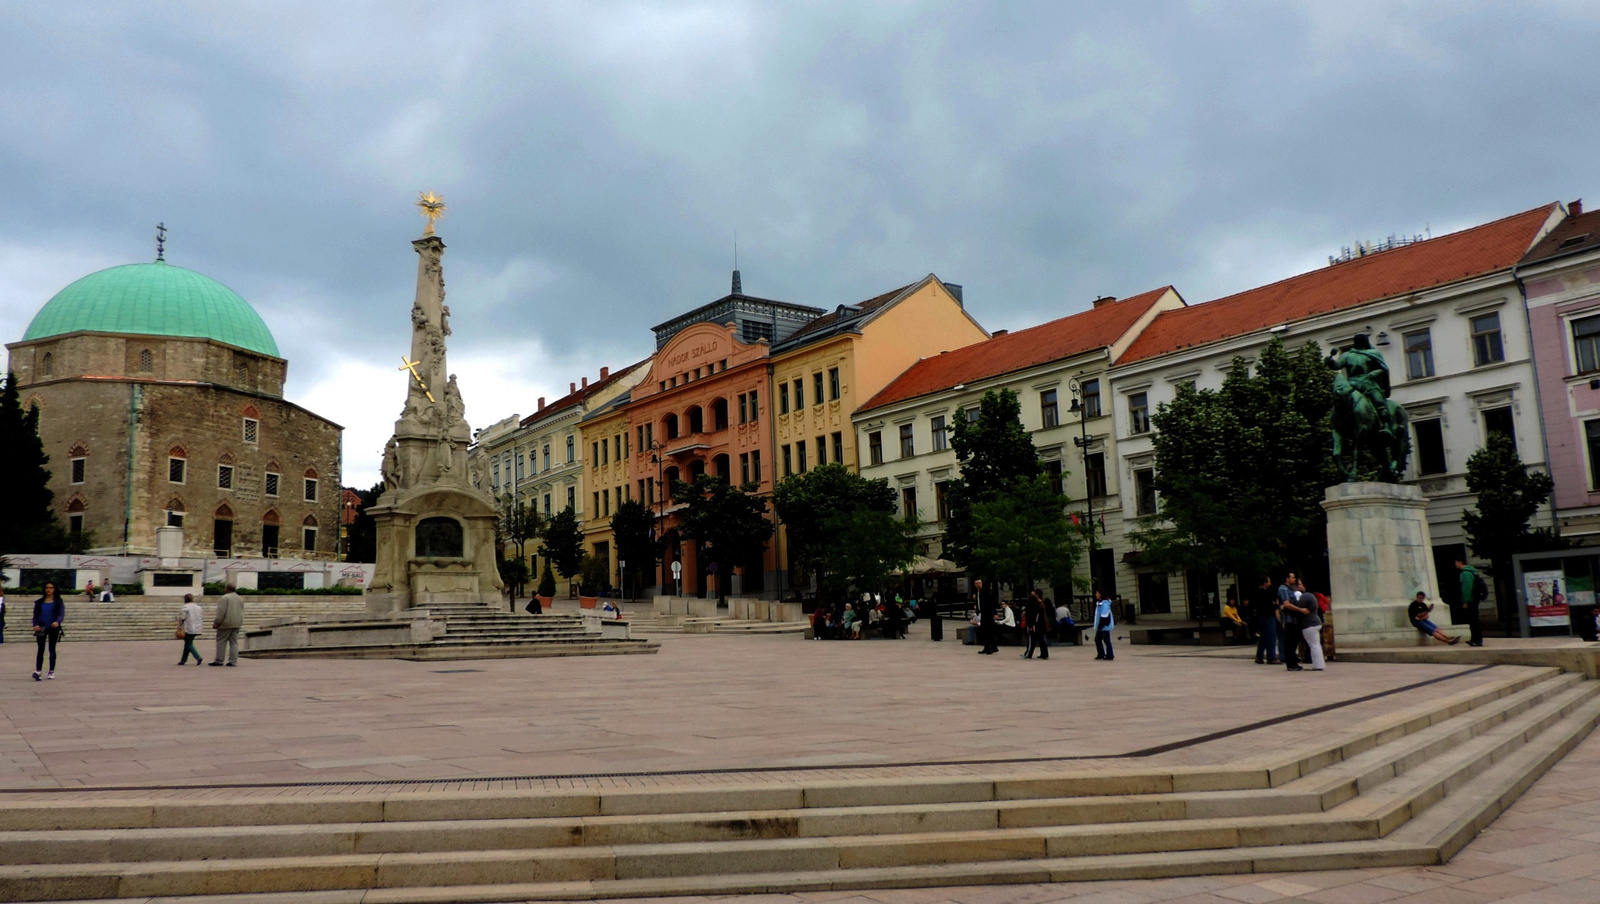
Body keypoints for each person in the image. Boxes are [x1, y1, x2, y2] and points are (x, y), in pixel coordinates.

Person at [32, 581, 65, 680]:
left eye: (51, 587)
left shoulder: (58, 602)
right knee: (40, 649)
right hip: (41, 627)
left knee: (52, 649)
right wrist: (35, 624)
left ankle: (51, 671)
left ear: (54, 589)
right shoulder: (39, 602)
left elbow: (61, 614)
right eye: (47, 587)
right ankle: (38, 670)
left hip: (53, 628)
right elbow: (35, 616)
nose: (48, 589)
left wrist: (57, 622)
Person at [1293, 579, 1325, 671]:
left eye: (1299, 584)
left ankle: (1318, 665)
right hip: (1315, 622)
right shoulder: (1312, 596)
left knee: (1313, 645)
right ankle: (1319, 664)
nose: (1297, 586)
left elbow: (1298, 608)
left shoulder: (1305, 596)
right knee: (1316, 644)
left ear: (1304, 586)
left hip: (1309, 624)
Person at [211, 583, 245, 666]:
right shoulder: (240, 598)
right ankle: (233, 661)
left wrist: (217, 622)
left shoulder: (224, 598)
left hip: (225, 623)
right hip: (237, 623)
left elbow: (221, 611)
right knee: (234, 642)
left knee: (221, 641)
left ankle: (219, 660)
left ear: (227, 589)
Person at [1455, 557, 1485, 647]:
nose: (1455, 564)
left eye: (1456, 562)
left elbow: (1466, 588)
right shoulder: (1472, 571)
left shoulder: (1465, 573)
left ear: (1460, 562)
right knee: (1475, 620)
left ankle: (1476, 640)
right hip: (1475, 599)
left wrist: (1465, 601)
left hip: (1471, 600)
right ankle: (1477, 639)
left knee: (1473, 620)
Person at [1252, 575, 1280, 665]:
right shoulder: (1266, 593)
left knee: (1263, 637)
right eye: (1269, 581)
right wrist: (1276, 605)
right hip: (1268, 616)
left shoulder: (1256, 592)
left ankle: (1259, 656)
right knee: (1271, 637)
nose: (1270, 583)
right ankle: (1271, 657)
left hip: (1260, 617)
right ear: (1265, 583)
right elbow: (1270, 605)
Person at [177, 594, 204, 666]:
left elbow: (182, 617)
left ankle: (197, 657)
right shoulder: (198, 607)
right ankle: (183, 660)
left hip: (188, 628)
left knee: (189, 644)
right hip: (197, 627)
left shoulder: (185, 607)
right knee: (187, 643)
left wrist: (179, 625)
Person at [1022, 590, 1050, 660]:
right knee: (1042, 640)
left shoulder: (1031, 605)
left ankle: (1028, 654)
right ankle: (1044, 654)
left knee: (1031, 640)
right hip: (1041, 625)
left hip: (1033, 625)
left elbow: (1028, 616)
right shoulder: (1040, 604)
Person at [974, 579, 999, 654]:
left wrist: (994, 613)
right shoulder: (977, 593)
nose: (978, 584)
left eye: (979, 583)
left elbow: (991, 602)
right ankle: (988, 647)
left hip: (988, 613)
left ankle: (991, 647)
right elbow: (978, 602)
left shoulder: (985, 591)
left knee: (988, 631)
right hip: (982, 613)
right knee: (985, 631)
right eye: (977, 583)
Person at [1093, 590, 1114, 660]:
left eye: (1097, 593)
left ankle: (1109, 655)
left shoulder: (1104, 604)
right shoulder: (1100, 603)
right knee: (1098, 639)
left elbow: (1104, 616)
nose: (1096, 594)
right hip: (1102, 625)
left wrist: (1099, 626)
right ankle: (1101, 654)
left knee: (1106, 640)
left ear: (1101, 595)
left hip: (1104, 626)